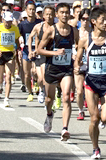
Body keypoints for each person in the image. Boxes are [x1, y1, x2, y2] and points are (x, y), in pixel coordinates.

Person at [74, 6, 106, 159]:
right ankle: (95, 147)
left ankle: (103, 111)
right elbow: (78, 58)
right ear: (94, 22)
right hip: (91, 82)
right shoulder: (85, 39)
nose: (105, 23)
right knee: (95, 118)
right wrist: (77, 66)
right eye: (103, 21)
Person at [37, 3, 78, 141]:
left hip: (66, 69)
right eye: (62, 12)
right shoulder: (51, 30)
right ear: (57, 14)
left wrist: (77, 56)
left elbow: (79, 47)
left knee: (66, 96)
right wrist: (54, 53)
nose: (65, 15)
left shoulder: (73, 31)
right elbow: (39, 49)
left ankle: (65, 129)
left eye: (67, 12)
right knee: (49, 99)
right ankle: (49, 114)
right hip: (52, 69)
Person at [0, 11, 21, 107]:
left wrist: (16, 48)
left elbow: (17, 39)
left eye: (10, 21)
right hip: (0, 54)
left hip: (10, 54)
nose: (8, 23)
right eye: (6, 21)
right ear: (3, 20)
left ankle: (7, 98)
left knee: (9, 76)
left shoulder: (15, 29)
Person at [18, 2, 41, 102]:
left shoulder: (39, 23)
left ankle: (36, 82)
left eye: (33, 9)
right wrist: (19, 47)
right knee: (27, 74)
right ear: (26, 11)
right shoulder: (22, 24)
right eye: (29, 9)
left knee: (35, 72)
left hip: (37, 50)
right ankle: (30, 92)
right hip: (26, 51)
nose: (31, 11)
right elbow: (18, 36)